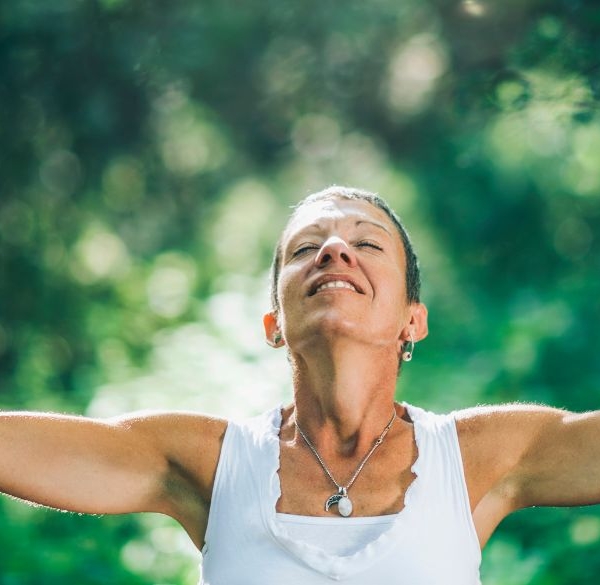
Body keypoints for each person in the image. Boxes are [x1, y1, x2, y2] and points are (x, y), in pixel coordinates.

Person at [1, 185, 600, 584]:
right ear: (274, 325)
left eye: (366, 243)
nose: (336, 249)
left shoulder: (480, 457)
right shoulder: (210, 464)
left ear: (412, 319)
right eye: (307, 248)